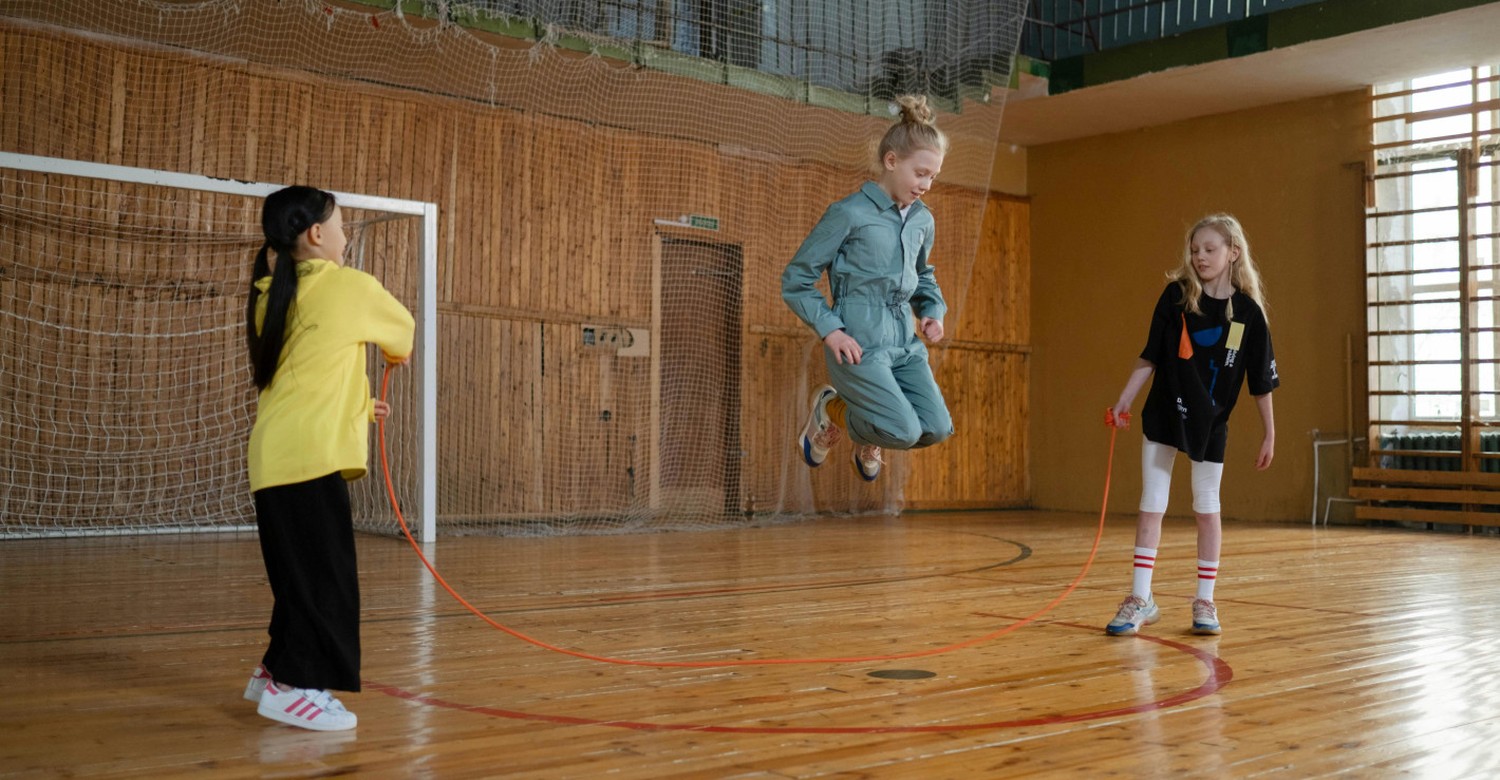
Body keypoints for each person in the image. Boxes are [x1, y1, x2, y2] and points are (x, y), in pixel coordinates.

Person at [241, 186, 415, 730]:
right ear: (317, 235)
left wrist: (359, 402)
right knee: (327, 583)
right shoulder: (349, 287)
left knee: (301, 577)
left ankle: (274, 673)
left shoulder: (271, 293)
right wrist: (388, 353)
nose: (345, 235)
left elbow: (307, 371)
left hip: (274, 459)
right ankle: (295, 688)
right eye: (342, 225)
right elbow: (403, 335)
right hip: (310, 460)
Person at [1104, 213, 1278, 637]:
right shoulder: (1175, 297)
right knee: (1152, 504)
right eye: (1195, 249)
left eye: (1210, 249)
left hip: (1211, 422)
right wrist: (1125, 397)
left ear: (1233, 253)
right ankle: (1140, 598)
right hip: (1164, 413)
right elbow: (1151, 355)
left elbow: (1261, 382)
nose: (1200, 256)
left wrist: (1269, 432)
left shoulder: (1249, 316)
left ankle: (1205, 601)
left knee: (1206, 508)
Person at [782, 94, 954, 483]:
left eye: (933, 176)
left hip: (904, 344)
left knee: (936, 428)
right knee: (903, 431)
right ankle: (833, 410)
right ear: (891, 161)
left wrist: (931, 311)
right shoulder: (848, 214)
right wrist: (832, 330)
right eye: (920, 173)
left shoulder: (923, 220)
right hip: (859, 344)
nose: (926, 184)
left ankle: (867, 425)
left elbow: (924, 276)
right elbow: (796, 280)